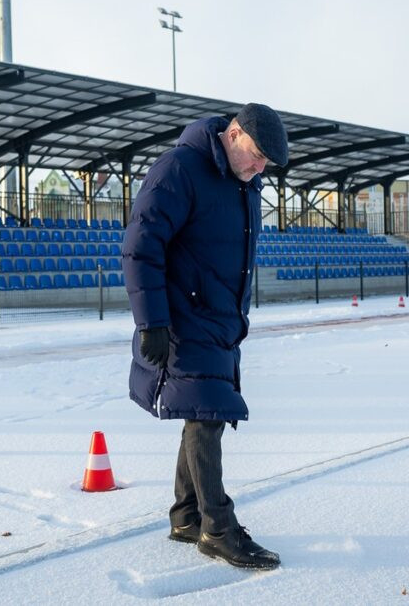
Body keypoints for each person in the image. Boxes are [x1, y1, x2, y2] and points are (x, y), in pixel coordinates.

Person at [123, 103, 288, 570]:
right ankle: (217, 527)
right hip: (183, 317)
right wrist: (150, 321)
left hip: (219, 318)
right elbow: (141, 245)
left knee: (202, 411)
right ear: (232, 134)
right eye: (256, 156)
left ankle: (186, 515)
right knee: (207, 416)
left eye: (265, 165)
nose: (259, 169)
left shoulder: (242, 183)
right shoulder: (179, 168)